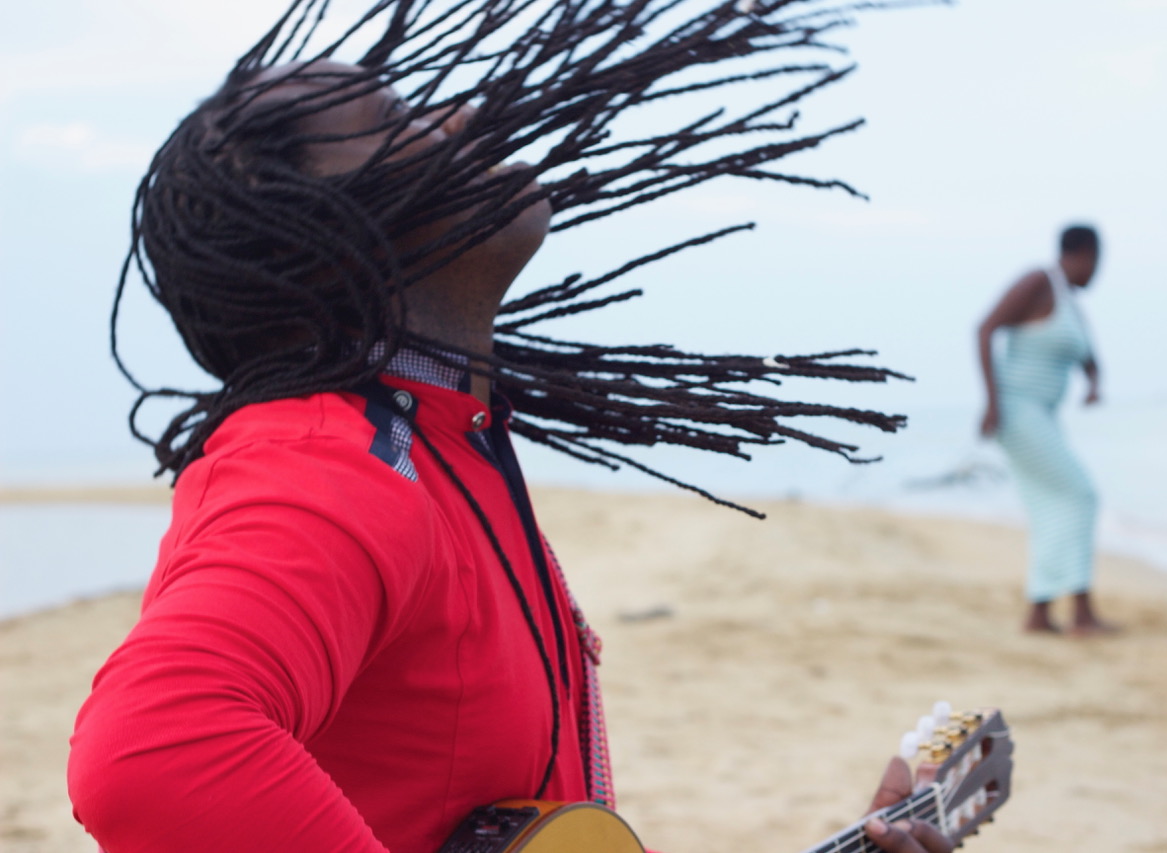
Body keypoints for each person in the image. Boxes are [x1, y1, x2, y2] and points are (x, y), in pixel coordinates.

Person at [67, 2, 952, 851]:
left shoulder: (446, 445)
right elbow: (154, 752)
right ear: (311, 233)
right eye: (391, 117)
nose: (455, 119)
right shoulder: (328, 464)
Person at [977, 225, 1116, 636]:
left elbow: (1090, 358)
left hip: (1044, 417)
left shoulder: (1072, 304)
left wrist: (1094, 384)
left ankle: (1041, 613)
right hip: (1017, 412)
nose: (1097, 273)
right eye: (1097, 262)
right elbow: (984, 329)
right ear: (1083, 254)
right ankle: (1080, 611)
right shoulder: (1039, 282)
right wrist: (992, 401)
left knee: (1052, 507)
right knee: (1081, 494)